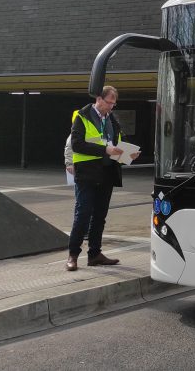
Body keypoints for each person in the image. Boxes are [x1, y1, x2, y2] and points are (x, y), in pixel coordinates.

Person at [66, 85, 137, 272]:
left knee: (99, 217)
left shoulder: (113, 120)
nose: (111, 107)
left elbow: (116, 145)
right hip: (87, 174)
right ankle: (73, 256)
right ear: (99, 99)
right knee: (82, 215)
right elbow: (77, 144)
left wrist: (127, 155)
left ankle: (94, 254)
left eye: (114, 104)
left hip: (106, 174)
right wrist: (104, 150)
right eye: (109, 103)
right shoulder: (82, 117)